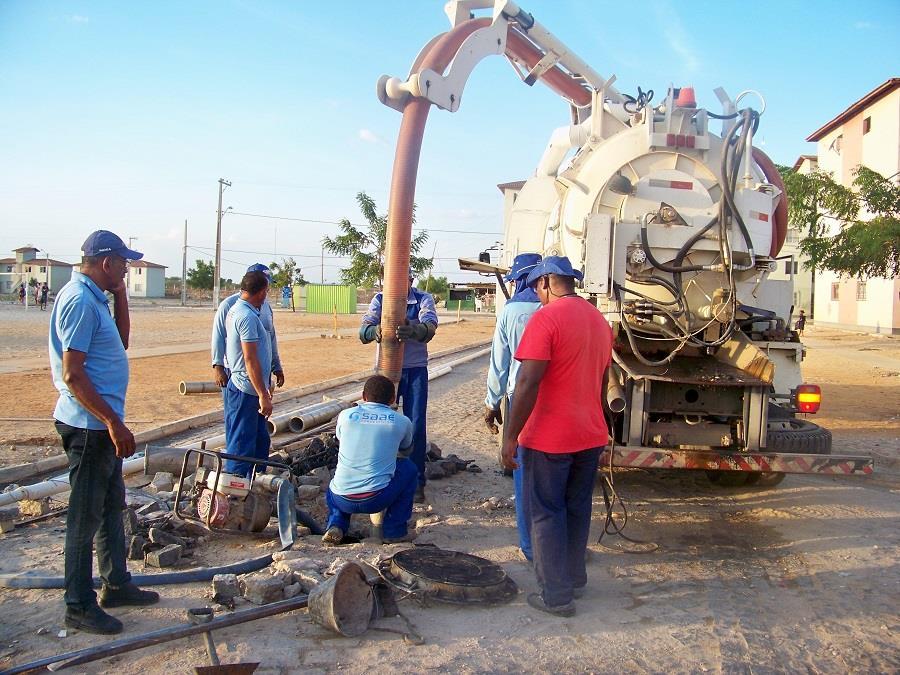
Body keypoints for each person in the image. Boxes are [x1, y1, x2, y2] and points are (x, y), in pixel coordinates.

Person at [49, 230, 159, 635]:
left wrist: (121, 294)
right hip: (90, 427)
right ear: (106, 262)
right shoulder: (79, 301)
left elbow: (122, 340)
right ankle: (78, 604)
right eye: (123, 264)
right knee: (84, 518)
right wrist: (112, 421)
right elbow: (73, 374)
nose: (128, 270)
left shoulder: (96, 298)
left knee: (112, 507)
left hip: (101, 425)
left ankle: (116, 584)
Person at [500, 255, 613, 618]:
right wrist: (604, 429)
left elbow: (527, 381)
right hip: (590, 433)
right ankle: (574, 576)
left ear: (547, 282)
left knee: (546, 512)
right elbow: (601, 381)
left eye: (536, 286)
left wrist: (509, 436)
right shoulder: (599, 321)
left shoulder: (545, 318)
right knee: (577, 508)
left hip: (549, 437)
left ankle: (556, 595)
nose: (536, 293)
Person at [483, 253, 542, 563]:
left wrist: (491, 405)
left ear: (520, 279)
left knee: (520, 470)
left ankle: (530, 547)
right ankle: (554, 543)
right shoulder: (556, 309)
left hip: (519, 398)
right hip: (553, 400)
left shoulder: (512, 310)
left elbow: (499, 362)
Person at [360, 268, 438, 503]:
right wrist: (376, 331)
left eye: (403, 280)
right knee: (380, 422)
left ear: (410, 281)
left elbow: (431, 326)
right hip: (386, 372)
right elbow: (363, 331)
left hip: (414, 371)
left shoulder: (423, 299)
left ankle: (415, 483)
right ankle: (379, 477)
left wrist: (416, 330)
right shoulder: (380, 299)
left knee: (415, 424)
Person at [322, 375, 419, 545]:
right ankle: (394, 531)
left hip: (341, 498)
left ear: (363, 396)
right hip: (376, 499)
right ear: (393, 399)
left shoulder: (345, 416)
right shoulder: (402, 422)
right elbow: (406, 449)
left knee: (341, 473)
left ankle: (336, 524)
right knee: (409, 469)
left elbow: (340, 439)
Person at [222, 270, 274, 478]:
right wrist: (262, 394)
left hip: (252, 388)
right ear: (262, 292)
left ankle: (257, 484)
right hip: (246, 390)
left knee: (260, 440)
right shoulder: (246, 316)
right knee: (242, 444)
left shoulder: (241, 311)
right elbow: (249, 359)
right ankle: (236, 491)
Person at [211, 263, 284, 399]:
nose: (268, 289)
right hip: (237, 372)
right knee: (239, 411)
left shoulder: (265, 307)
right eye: (265, 283)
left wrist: (276, 366)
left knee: (258, 412)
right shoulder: (229, 305)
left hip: (261, 371)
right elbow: (219, 335)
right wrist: (218, 366)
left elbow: (271, 337)